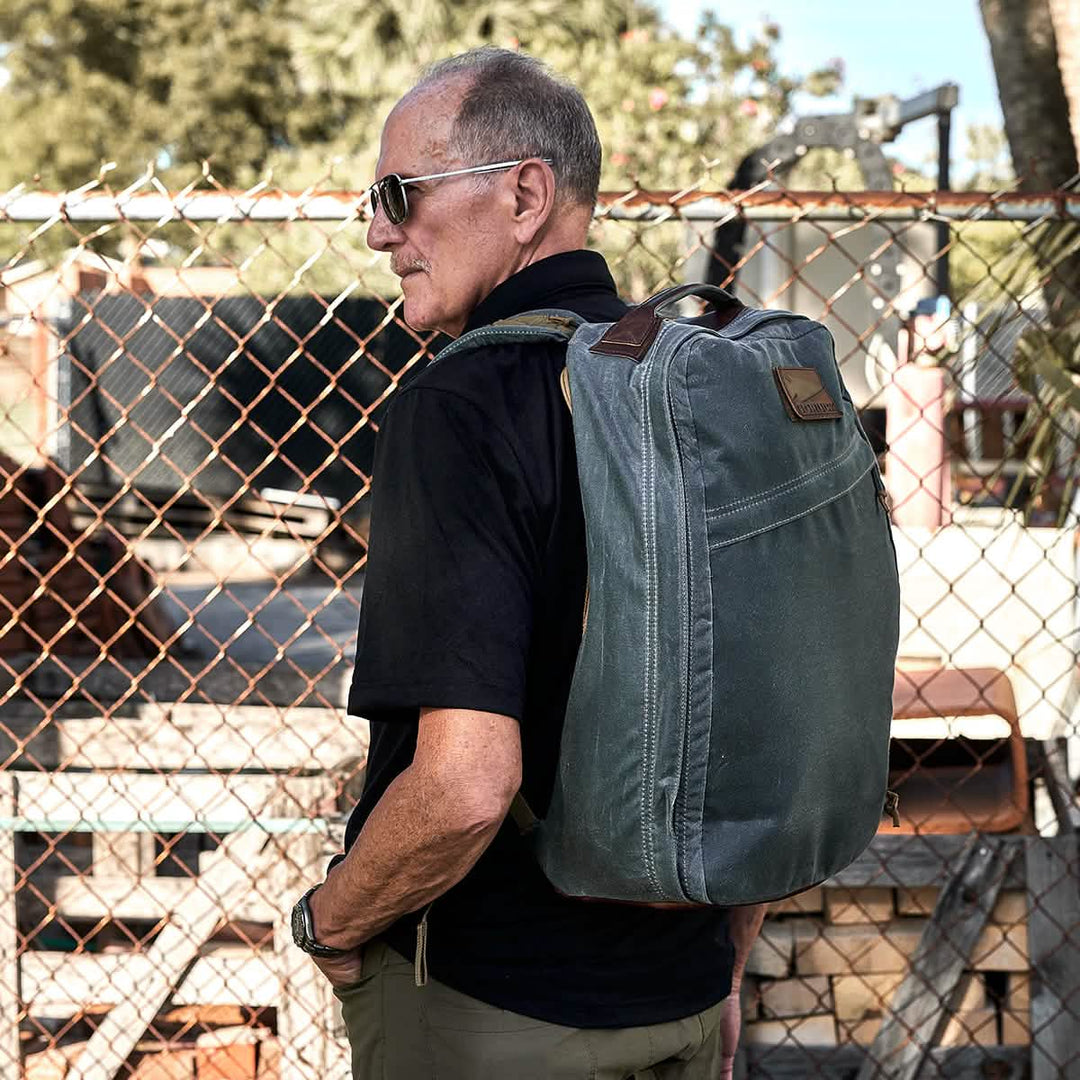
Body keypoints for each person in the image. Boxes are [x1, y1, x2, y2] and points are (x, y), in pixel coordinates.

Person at [289, 46, 766, 1080]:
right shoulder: (707, 391)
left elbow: (465, 786)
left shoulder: (461, 405)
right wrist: (723, 968)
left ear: (524, 194)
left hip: (495, 1015)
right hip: (683, 998)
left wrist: (328, 923)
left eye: (399, 194)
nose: (378, 231)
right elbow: (768, 722)